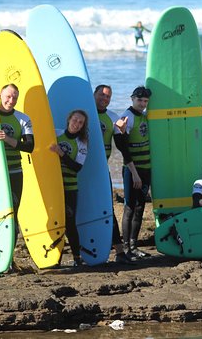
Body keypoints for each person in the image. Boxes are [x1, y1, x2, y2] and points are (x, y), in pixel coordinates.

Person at [94, 84, 136, 265]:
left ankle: (119, 252)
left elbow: (122, 147)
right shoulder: (84, 112)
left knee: (107, 210)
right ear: (94, 94)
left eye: (108, 97)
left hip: (102, 170)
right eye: (102, 95)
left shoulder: (112, 118)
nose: (105, 99)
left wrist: (123, 131)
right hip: (80, 169)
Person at [113, 86, 152, 259]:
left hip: (146, 169)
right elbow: (123, 148)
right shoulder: (125, 118)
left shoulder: (144, 116)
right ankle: (126, 248)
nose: (142, 104)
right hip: (132, 170)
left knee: (140, 207)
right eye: (139, 100)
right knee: (129, 207)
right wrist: (134, 173)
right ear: (132, 99)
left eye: (145, 101)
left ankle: (134, 246)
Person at [49, 109, 89, 267]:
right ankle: (55, 258)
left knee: (70, 222)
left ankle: (76, 257)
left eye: (80, 123)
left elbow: (77, 168)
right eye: (75, 120)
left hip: (70, 188)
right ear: (69, 119)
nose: (76, 124)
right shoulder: (55, 134)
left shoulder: (82, 142)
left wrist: (61, 154)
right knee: (54, 222)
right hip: (52, 187)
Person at [0, 84, 34, 229]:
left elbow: (30, 146)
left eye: (15, 98)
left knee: (13, 210)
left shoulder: (23, 119)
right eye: (8, 96)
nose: (11, 101)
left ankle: (10, 246)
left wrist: (7, 139)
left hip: (15, 171)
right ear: (0, 95)